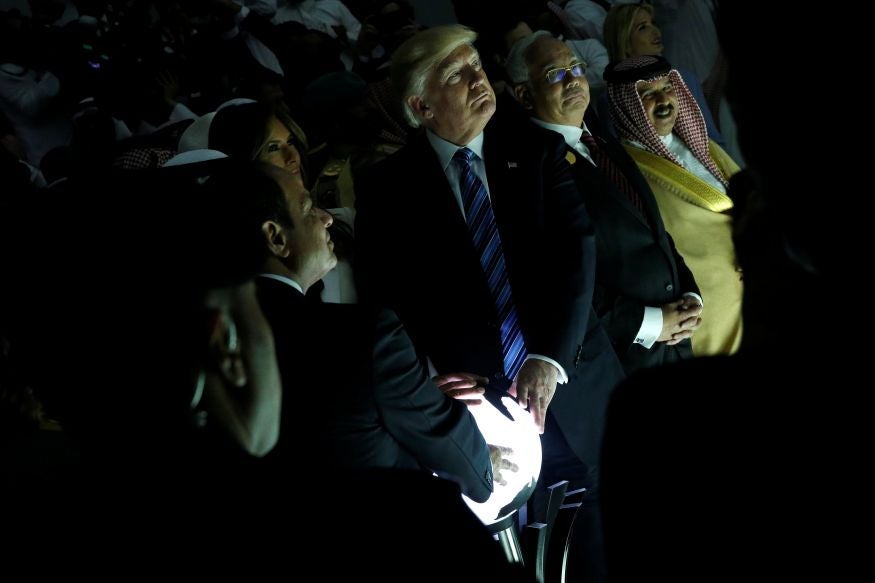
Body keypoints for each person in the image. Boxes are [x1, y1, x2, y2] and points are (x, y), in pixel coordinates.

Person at [354, 24, 625, 583]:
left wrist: (548, 357)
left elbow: (576, 257)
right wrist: (434, 376)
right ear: (421, 105)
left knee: (612, 536)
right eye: (457, 74)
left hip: (575, 381)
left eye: (477, 64)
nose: (480, 78)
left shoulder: (535, 148)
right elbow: (388, 303)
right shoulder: (387, 188)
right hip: (485, 416)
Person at [243, 161, 505, 501]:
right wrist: (485, 462)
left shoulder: (204, 337)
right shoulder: (364, 336)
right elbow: (463, 462)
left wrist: (407, 393)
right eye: (308, 208)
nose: (327, 218)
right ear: (276, 238)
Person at [506, 31, 702, 373]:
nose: (573, 81)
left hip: (677, 340)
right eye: (555, 74)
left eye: (577, 68)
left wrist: (689, 293)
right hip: (624, 357)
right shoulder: (528, 169)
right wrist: (650, 322)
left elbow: (652, 229)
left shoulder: (600, 140)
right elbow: (558, 277)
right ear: (524, 94)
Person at [605, 55, 742, 356]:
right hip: (708, 315)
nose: (663, 99)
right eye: (647, 94)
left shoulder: (701, 144)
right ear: (628, 107)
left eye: (667, 87)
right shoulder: (624, 171)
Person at [597, 1, 725, 148]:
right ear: (624, 41)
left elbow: (714, 140)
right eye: (643, 27)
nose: (656, 32)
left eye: (653, 23)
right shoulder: (608, 101)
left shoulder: (685, 79)